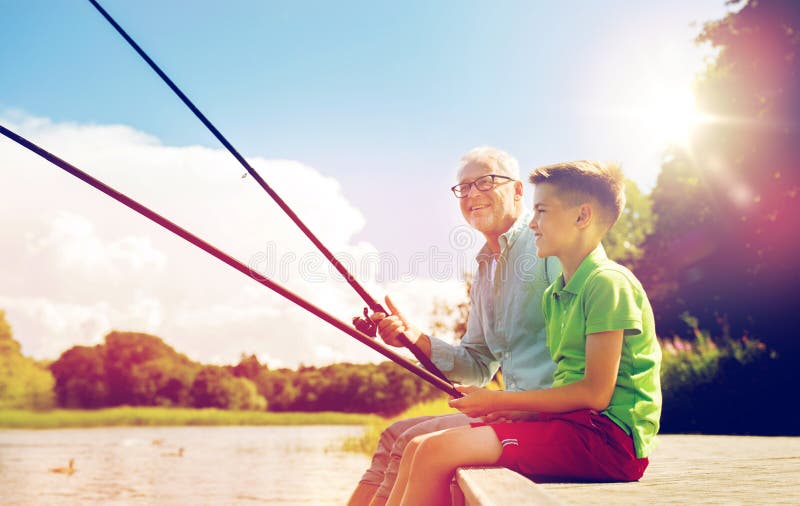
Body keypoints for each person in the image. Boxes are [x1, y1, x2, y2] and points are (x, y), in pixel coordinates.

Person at [384, 160, 663, 506]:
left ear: (582, 217)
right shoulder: (556, 294)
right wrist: (516, 412)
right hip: (571, 428)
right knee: (417, 447)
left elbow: (594, 395)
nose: (532, 223)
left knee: (435, 451)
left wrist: (499, 400)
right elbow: (565, 385)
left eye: (542, 211)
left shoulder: (608, 283)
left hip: (610, 443)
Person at [347, 146, 561, 506]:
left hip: (544, 418)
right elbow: (478, 365)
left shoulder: (546, 245)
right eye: (464, 188)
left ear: (519, 190)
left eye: (486, 181)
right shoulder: (484, 269)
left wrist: (516, 405)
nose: (473, 194)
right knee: (392, 435)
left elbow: (581, 345)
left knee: (407, 443)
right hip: (509, 413)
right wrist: (415, 338)